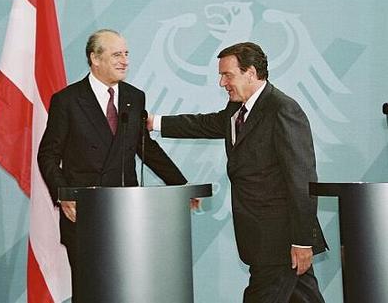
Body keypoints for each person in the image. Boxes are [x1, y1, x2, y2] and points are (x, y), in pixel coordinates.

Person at [149, 42, 327, 302]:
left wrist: (302, 241)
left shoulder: (283, 109)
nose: (222, 83)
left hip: (278, 239)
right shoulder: (237, 108)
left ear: (251, 73)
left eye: (227, 75)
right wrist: (155, 122)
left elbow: (302, 181)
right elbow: (206, 124)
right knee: (303, 296)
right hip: (261, 237)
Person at [37, 29, 188, 302]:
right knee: (91, 292)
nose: (125, 60)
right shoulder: (67, 100)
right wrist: (65, 195)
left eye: (126, 53)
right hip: (85, 214)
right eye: (117, 54)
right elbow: (47, 154)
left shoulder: (134, 96)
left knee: (128, 290)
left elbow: (145, 148)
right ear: (95, 58)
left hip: (128, 213)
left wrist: (181, 186)